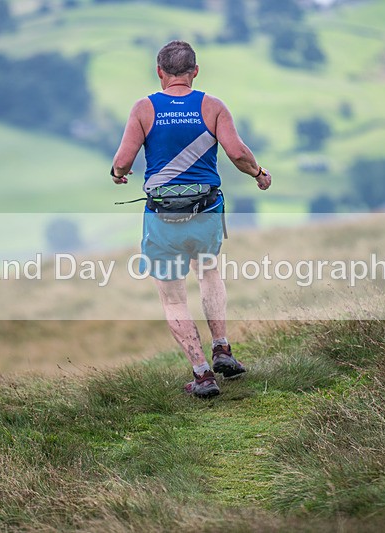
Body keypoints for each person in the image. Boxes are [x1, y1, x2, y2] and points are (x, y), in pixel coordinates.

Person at [110, 40, 271, 398]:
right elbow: (237, 153)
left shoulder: (144, 108)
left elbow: (123, 161)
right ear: (195, 71)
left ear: (160, 73)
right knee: (209, 273)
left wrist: (118, 173)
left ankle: (202, 375)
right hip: (207, 210)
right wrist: (259, 173)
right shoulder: (212, 106)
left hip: (162, 218)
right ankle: (222, 349)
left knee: (173, 299)